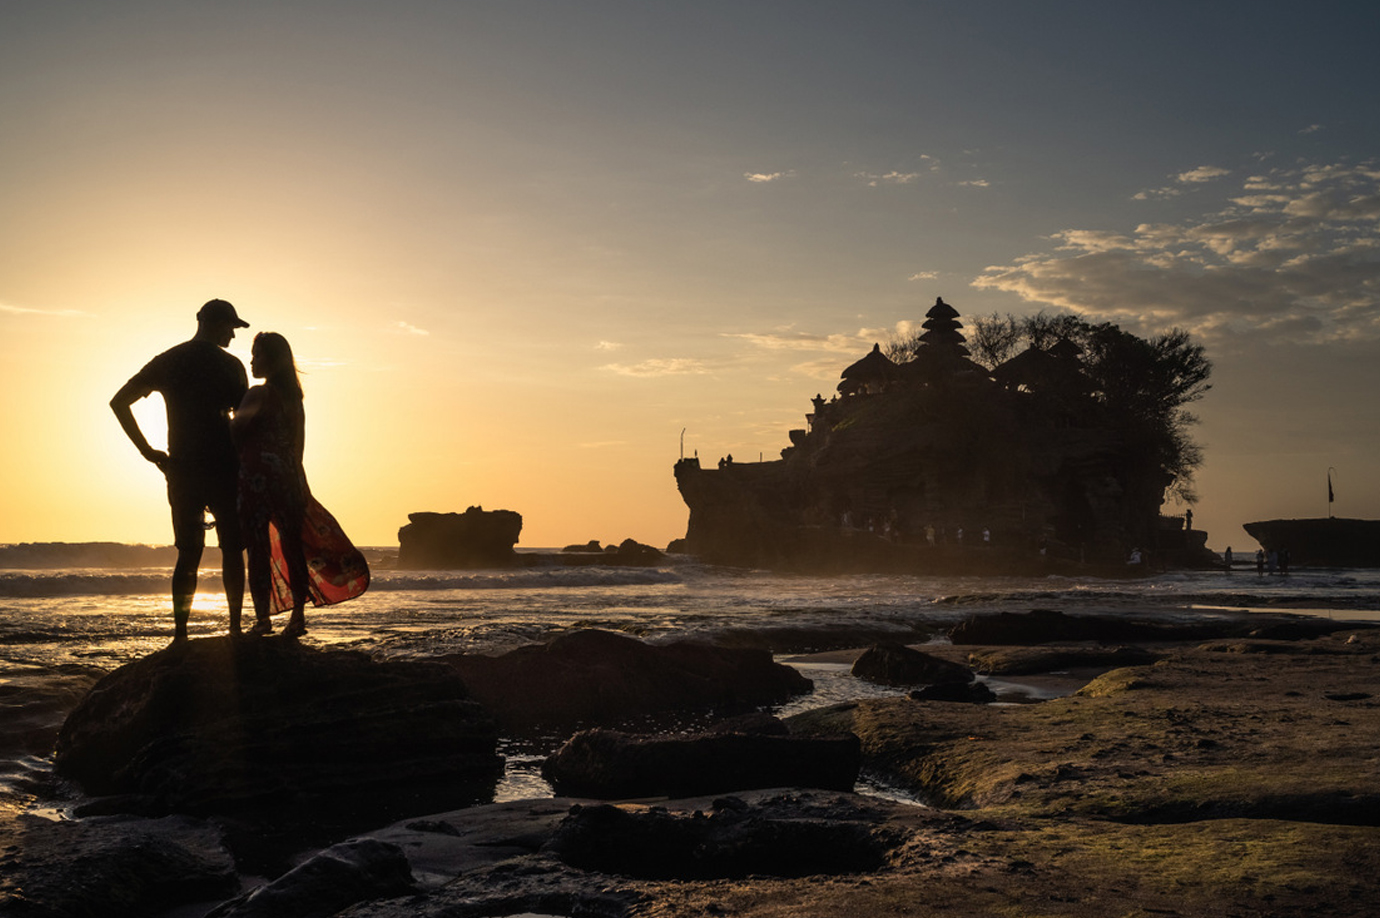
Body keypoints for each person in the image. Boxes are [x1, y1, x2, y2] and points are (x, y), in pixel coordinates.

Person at [111, 299, 250, 641]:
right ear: (213, 324)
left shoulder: (169, 361)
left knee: (189, 553)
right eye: (231, 327)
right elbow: (245, 421)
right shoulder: (230, 366)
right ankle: (234, 628)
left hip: (183, 469)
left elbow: (119, 402)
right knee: (233, 549)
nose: (233, 335)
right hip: (225, 467)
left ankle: (181, 636)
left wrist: (149, 453)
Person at [231, 332, 368, 636]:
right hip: (290, 477)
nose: (252, 361)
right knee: (293, 547)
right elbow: (299, 447)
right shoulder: (294, 402)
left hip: (256, 478)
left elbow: (236, 430)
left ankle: (263, 619)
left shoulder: (258, 395)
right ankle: (297, 619)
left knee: (257, 549)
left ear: (273, 360)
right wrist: (299, 482)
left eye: (258, 355)